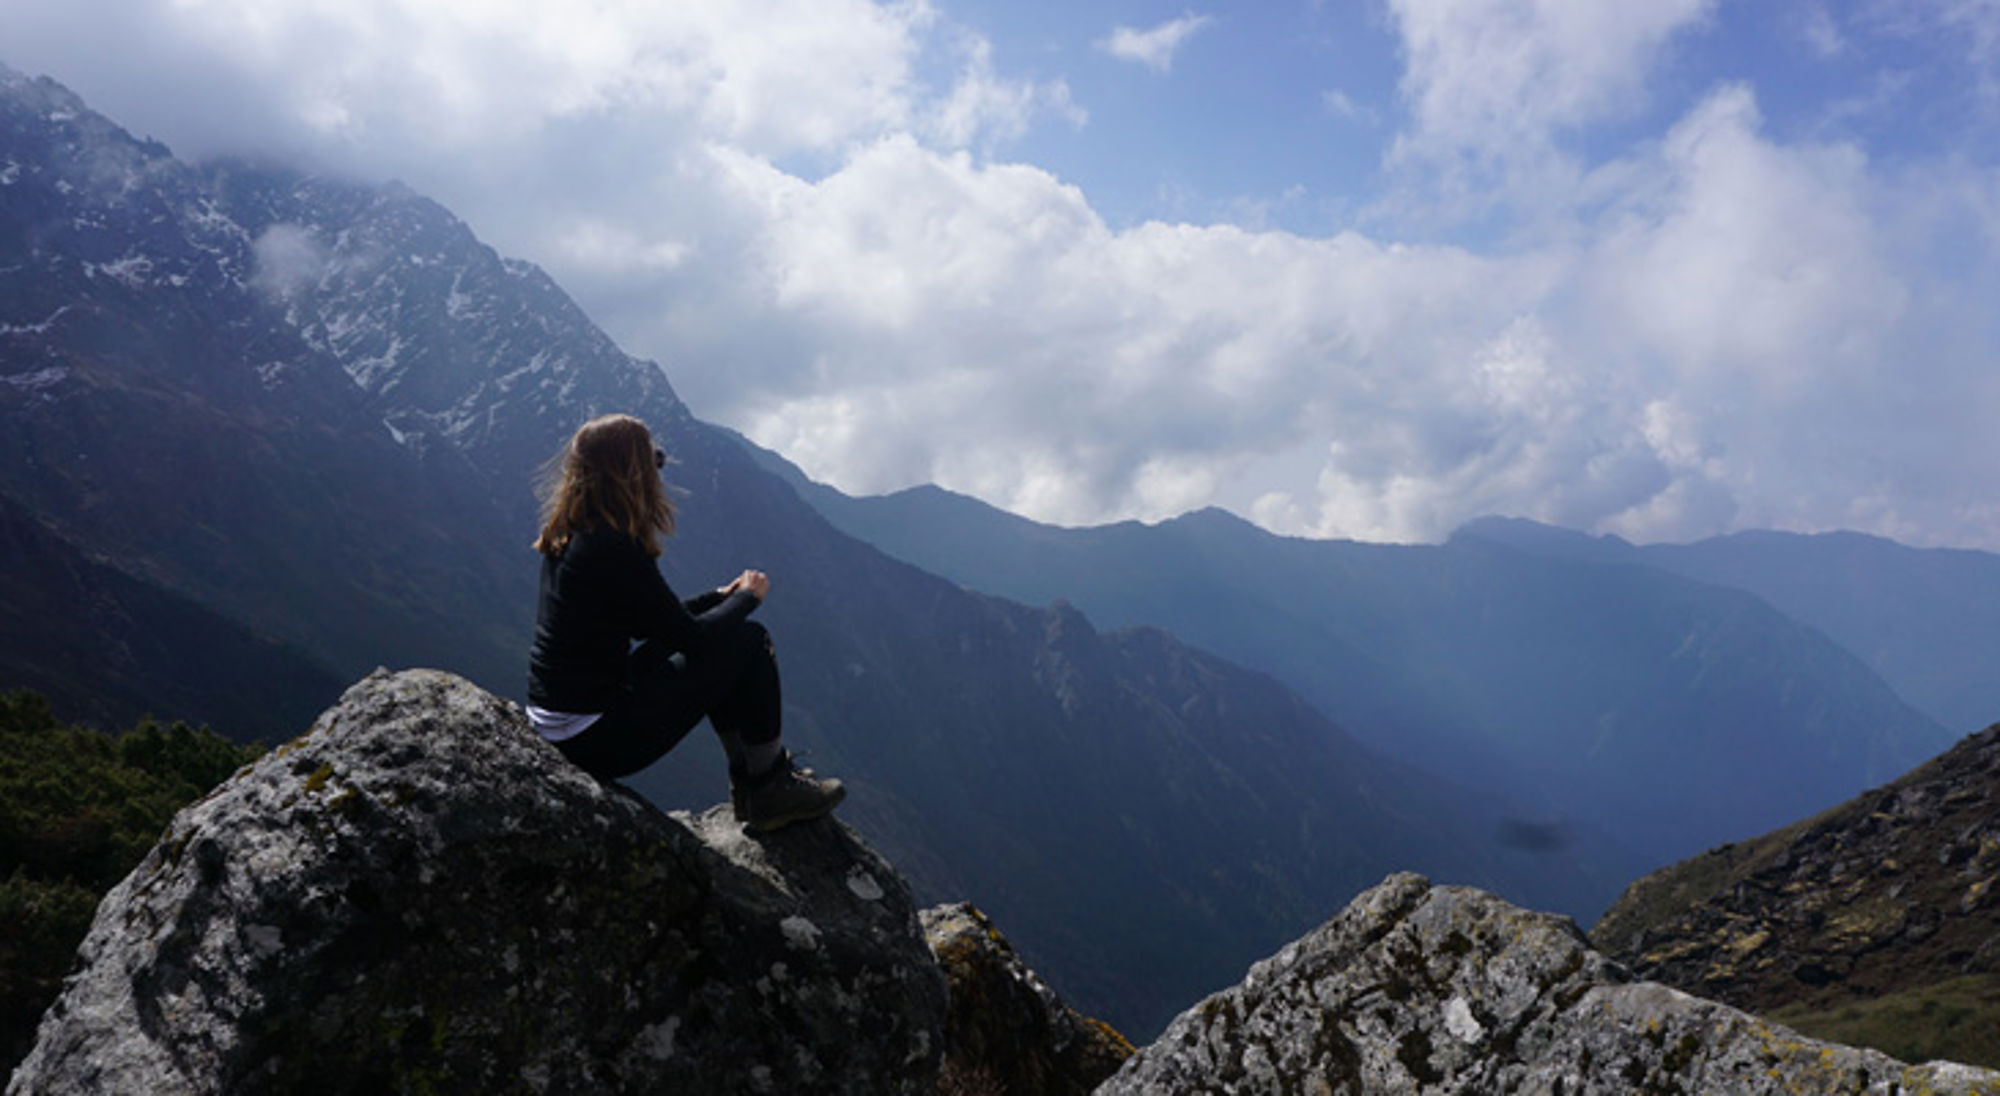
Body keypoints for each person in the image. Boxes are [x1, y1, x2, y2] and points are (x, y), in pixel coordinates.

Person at [525, 412, 844, 832]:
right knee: (747, 639)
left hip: (561, 722)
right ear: (632, 474)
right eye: (651, 465)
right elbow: (691, 638)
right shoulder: (613, 547)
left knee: (726, 635)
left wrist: (717, 598)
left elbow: (651, 624)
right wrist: (749, 598)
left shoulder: (569, 535)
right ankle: (767, 785)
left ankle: (754, 783)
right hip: (595, 739)